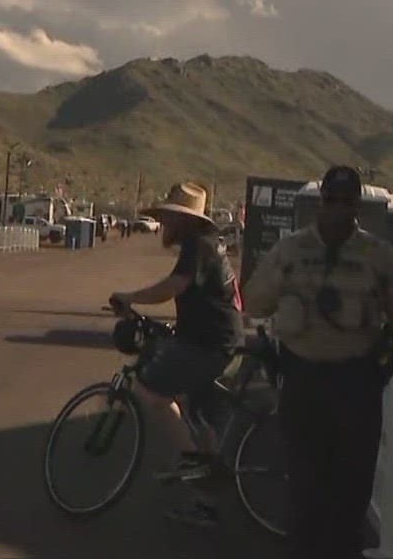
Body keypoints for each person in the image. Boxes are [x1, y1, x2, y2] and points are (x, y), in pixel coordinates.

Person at [243, 164, 393, 559]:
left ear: (357, 205)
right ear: (321, 201)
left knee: (350, 502)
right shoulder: (291, 250)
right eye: (333, 201)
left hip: (355, 387)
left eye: (348, 202)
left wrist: (387, 298)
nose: (339, 209)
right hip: (302, 385)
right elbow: (255, 301)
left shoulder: (377, 255)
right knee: (305, 499)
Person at [107, 181, 244, 529]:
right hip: (216, 339)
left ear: (186, 221)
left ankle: (188, 459)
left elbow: (174, 286)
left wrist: (131, 296)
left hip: (210, 343)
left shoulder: (198, 246)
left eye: (170, 218)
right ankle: (206, 503)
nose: (165, 224)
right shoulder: (206, 245)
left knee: (149, 390)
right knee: (203, 421)